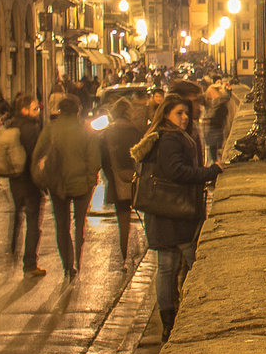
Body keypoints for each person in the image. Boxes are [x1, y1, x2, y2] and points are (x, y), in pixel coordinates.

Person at [132, 94, 221, 340]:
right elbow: (176, 172)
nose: (184, 118)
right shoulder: (171, 139)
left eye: (186, 113)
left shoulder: (160, 135)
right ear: (167, 115)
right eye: (179, 113)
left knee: (167, 267)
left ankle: (169, 324)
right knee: (193, 262)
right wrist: (210, 172)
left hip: (162, 212)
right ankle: (192, 316)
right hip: (175, 212)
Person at [32, 94, 101, 279]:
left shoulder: (51, 129)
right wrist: (90, 180)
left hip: (57, 185)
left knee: (62, 226)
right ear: (78, 110)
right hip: (82, 186)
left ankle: (67, 266)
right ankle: (78, 258)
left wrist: (43, 180)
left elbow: (37, 154)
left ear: (60, 110)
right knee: (79, 224)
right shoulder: (86, 129)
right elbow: (94, 158)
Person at [5, 94, 47, 277]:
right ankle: (30, 263)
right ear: (24, 110)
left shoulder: (12, 125)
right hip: (30, 182)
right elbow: (35, 155)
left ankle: (13, 251)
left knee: (18, 217)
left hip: (15, 180)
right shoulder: (31, 129)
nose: (38, 111)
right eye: (34, 108)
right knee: (33, 222)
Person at [99, 98, 144, 263]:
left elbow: (103, 161)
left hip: (117, 182)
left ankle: (124, 253)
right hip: (136, 179)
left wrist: (111, 176)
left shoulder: (107, 134)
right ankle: (141, 249)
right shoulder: (137, 132)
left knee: (123, 220)